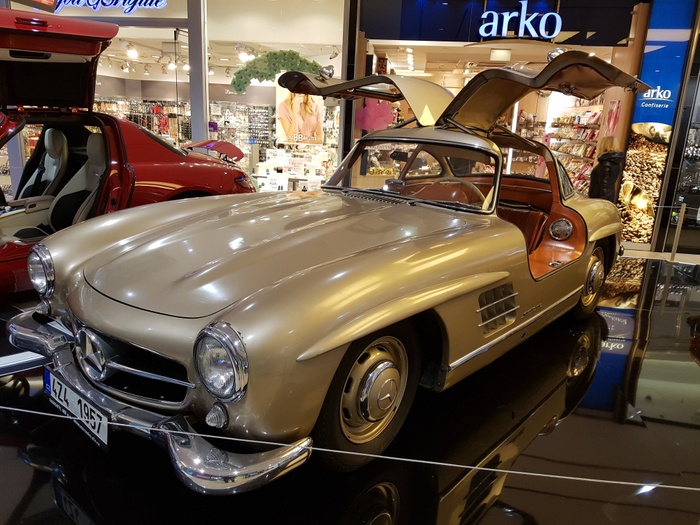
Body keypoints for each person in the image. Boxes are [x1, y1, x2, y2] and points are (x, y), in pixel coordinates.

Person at [588, 137, 626, 203]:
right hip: (607, 198)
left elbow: (604, 186)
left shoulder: (605, 164)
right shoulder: (615, 162)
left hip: (598, 200)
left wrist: (602, 203)